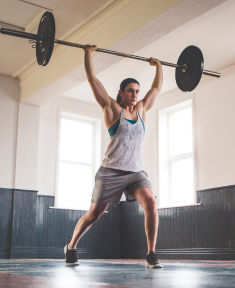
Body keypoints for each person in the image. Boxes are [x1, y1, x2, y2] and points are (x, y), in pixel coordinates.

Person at [64, 44, 163, 268]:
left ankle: (151, 254)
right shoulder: (111, 108)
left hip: (136, 172)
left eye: (137, 91)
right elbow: (93, 80)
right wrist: (88, 54)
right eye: (130, 91)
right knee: (94, 215)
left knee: (150, 202)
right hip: (111, 171)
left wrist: (158, 66)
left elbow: (156, 88)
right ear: (121, 92)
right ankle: (71, 247)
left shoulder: (142, 110)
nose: (135, 95)